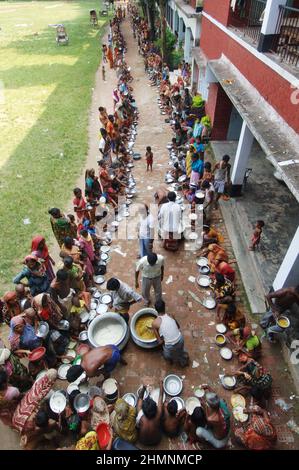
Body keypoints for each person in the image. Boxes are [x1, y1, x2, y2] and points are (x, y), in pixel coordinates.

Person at [12, 369, 58, 435]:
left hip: (25, 404)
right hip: (26, 419)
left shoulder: (40, 380)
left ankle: (18, 422)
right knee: (38, 421)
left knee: (25, 408)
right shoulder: (47, 393)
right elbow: (42, 403)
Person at [152, 300, 188, 366]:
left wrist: (163, 338)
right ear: (164, 307)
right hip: (180, 339)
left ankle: (171, 360)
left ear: (156, 310)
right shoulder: (171, 315)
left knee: (167, 355)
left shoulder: (154, 323)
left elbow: (159, 342)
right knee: (180, 351)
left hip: (170, 345)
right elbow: (178, 326)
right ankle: (183, 360)